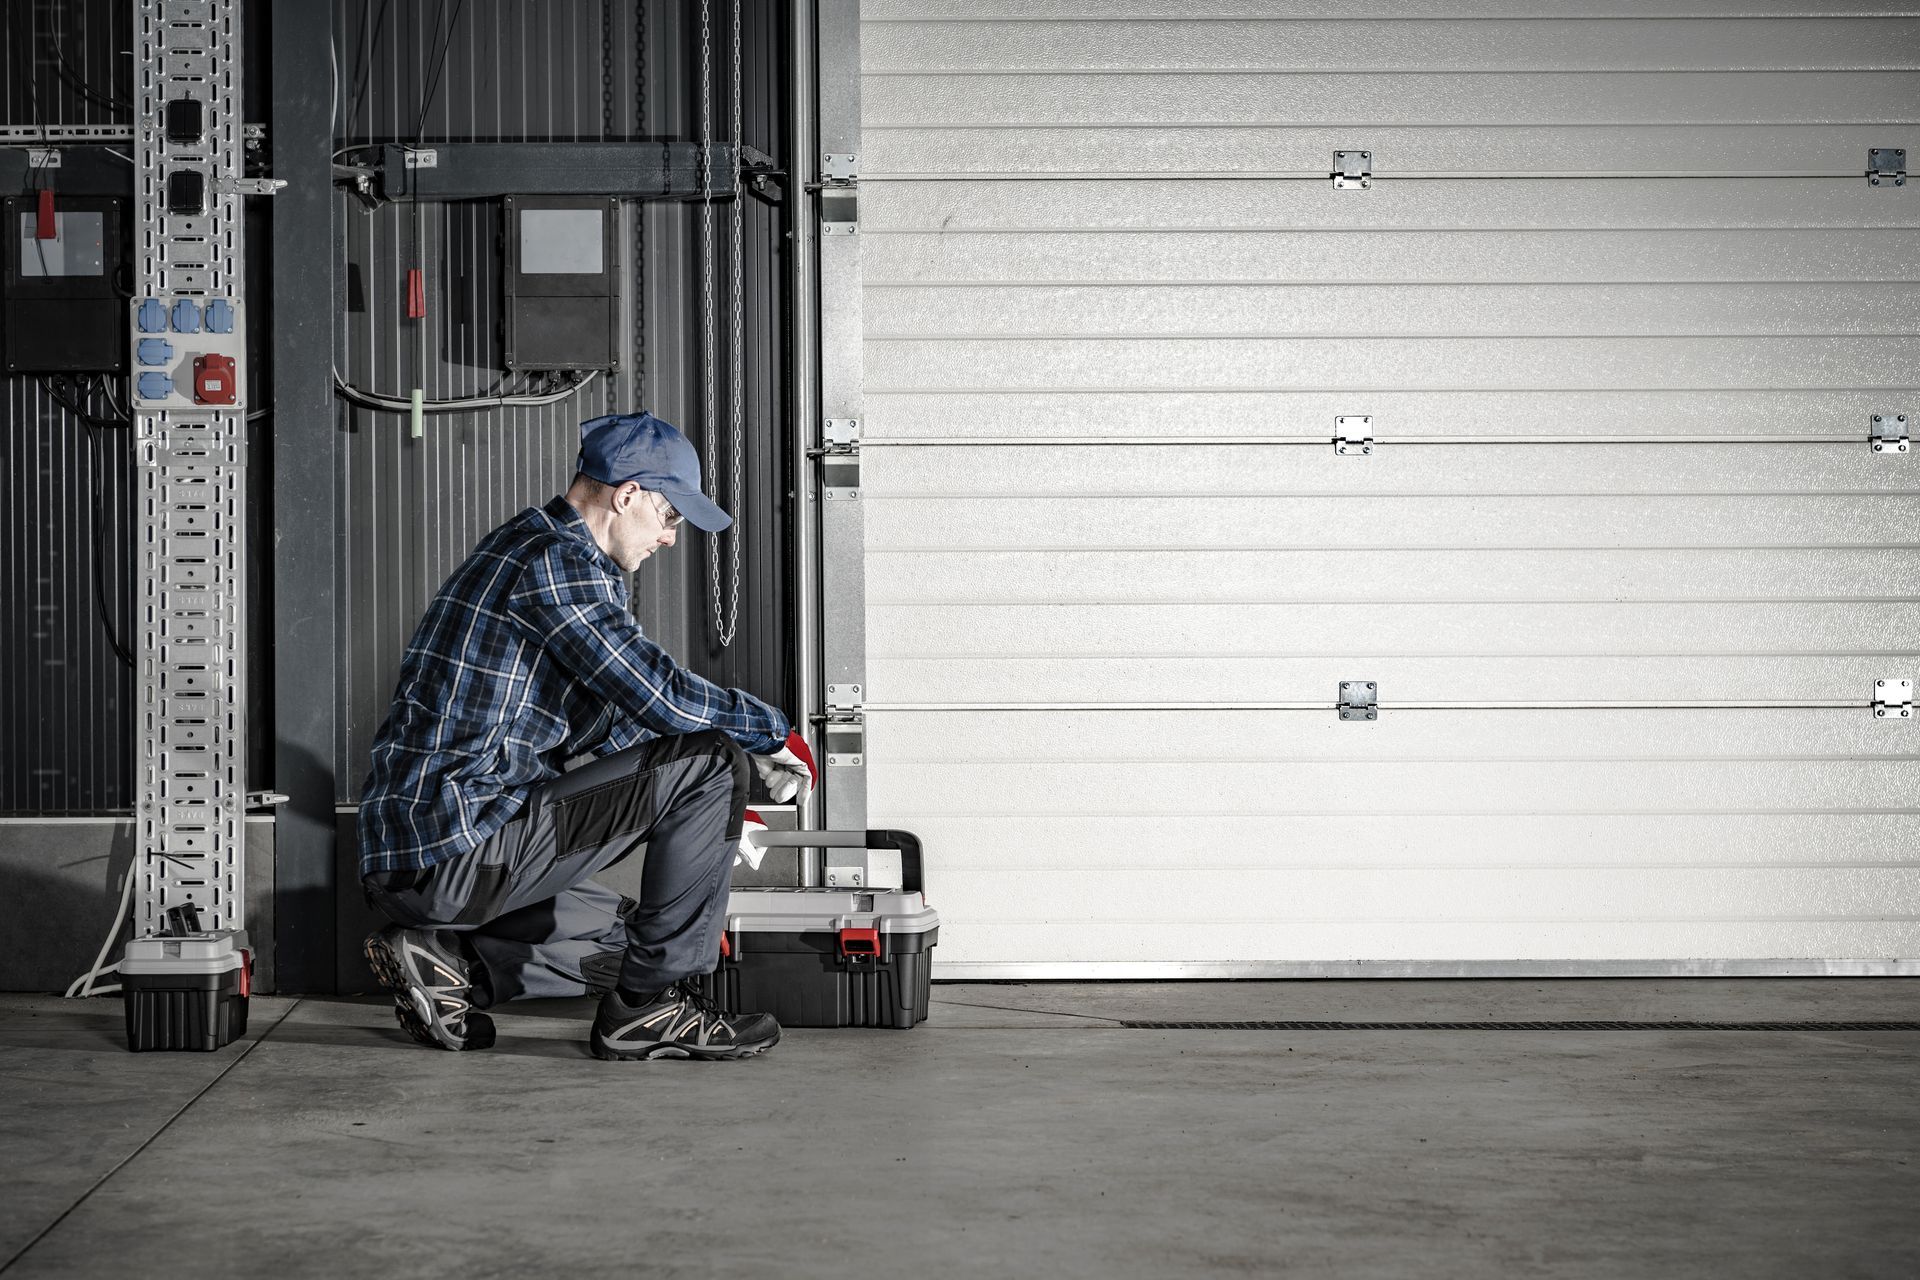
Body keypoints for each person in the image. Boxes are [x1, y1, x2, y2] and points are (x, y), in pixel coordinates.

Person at [356, 411, 814, 1061]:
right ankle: (649, 1011)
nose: (670, 539)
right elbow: (658, 694)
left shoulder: (527, 547)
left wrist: (705, 831)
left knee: (627, 935)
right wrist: (771, 735)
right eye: (671, 517)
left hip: (433, 854)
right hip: (453, 848)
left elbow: (610, 722)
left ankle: (454, 965)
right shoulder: (557, 562)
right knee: (713, 761)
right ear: (628, 495)